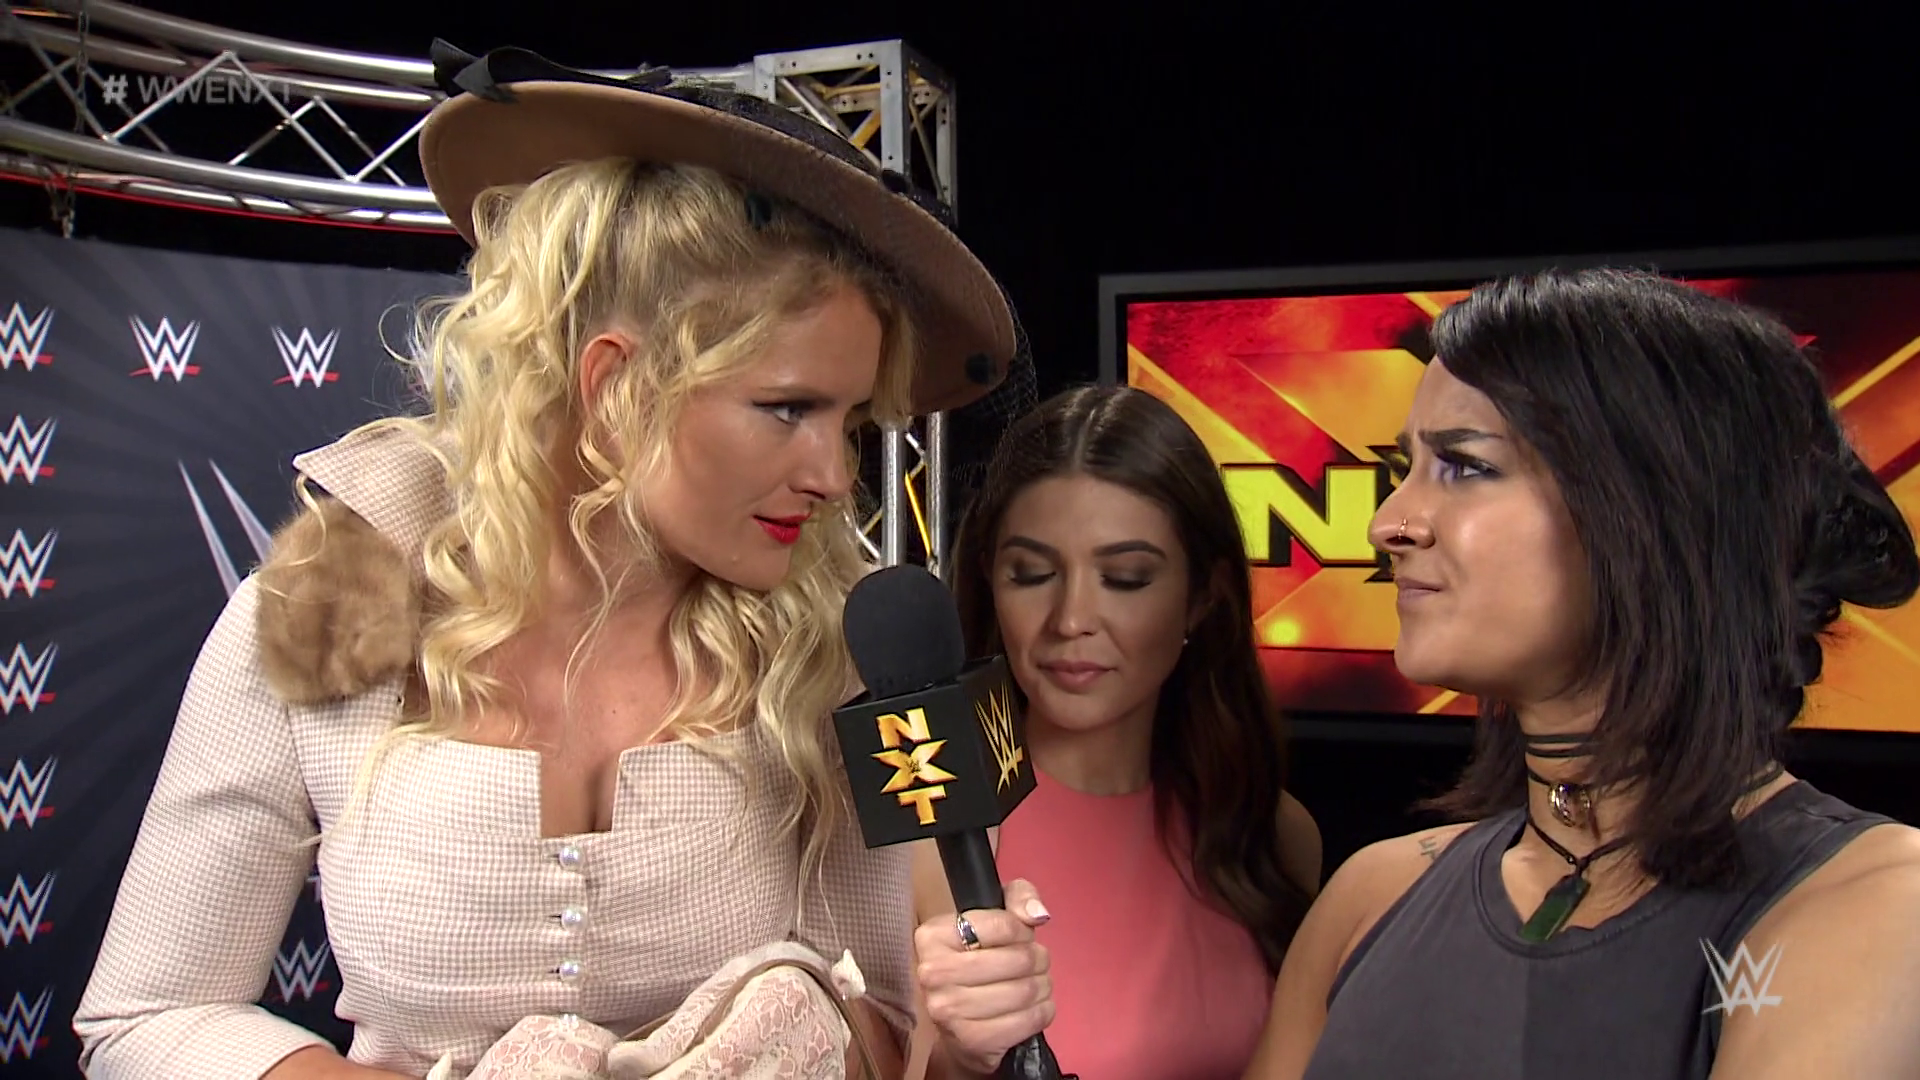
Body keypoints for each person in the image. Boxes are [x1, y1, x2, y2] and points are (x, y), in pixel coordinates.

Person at [71, 40, 1018, 1080]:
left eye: (848, 422)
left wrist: (953, 1041)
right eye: (787, 408)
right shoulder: (322, 618)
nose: (836, 476)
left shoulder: (831, 658)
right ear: (615, 385)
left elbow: (892, 1021)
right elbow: (149, 1016)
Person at [1241, 269, 1920, 1080]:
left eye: (1464, 466)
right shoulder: (1371, 896)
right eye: (1403, 470)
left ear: (1653, 510)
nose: (1388, 524)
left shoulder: (1875, 902)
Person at [905, 385, 1324, 1080]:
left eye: (1125, 578)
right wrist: (963, 1061)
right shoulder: (933, 838)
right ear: (990, 579)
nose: (1072, 618)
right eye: (1032, 574)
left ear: (1203, 596)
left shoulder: (1275, 836)